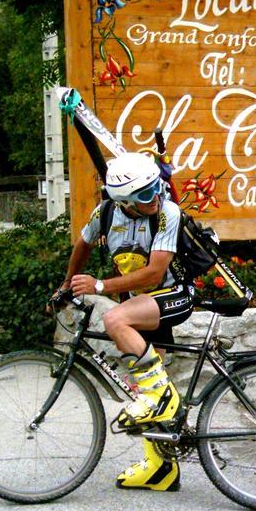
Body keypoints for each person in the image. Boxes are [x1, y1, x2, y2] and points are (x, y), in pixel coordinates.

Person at [56, 152, 193, 492]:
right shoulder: (105, 213)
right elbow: (83, 244)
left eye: (157, 188)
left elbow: (154, 272)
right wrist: (66, 283)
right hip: (141, 303)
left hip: (174, 294)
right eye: (147, 194)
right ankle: (161, 471)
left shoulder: (167, 213)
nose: (157, 197)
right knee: (144, 381)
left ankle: (161, 398)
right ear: (125, 201)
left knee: (115, 319)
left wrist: (100, 286)